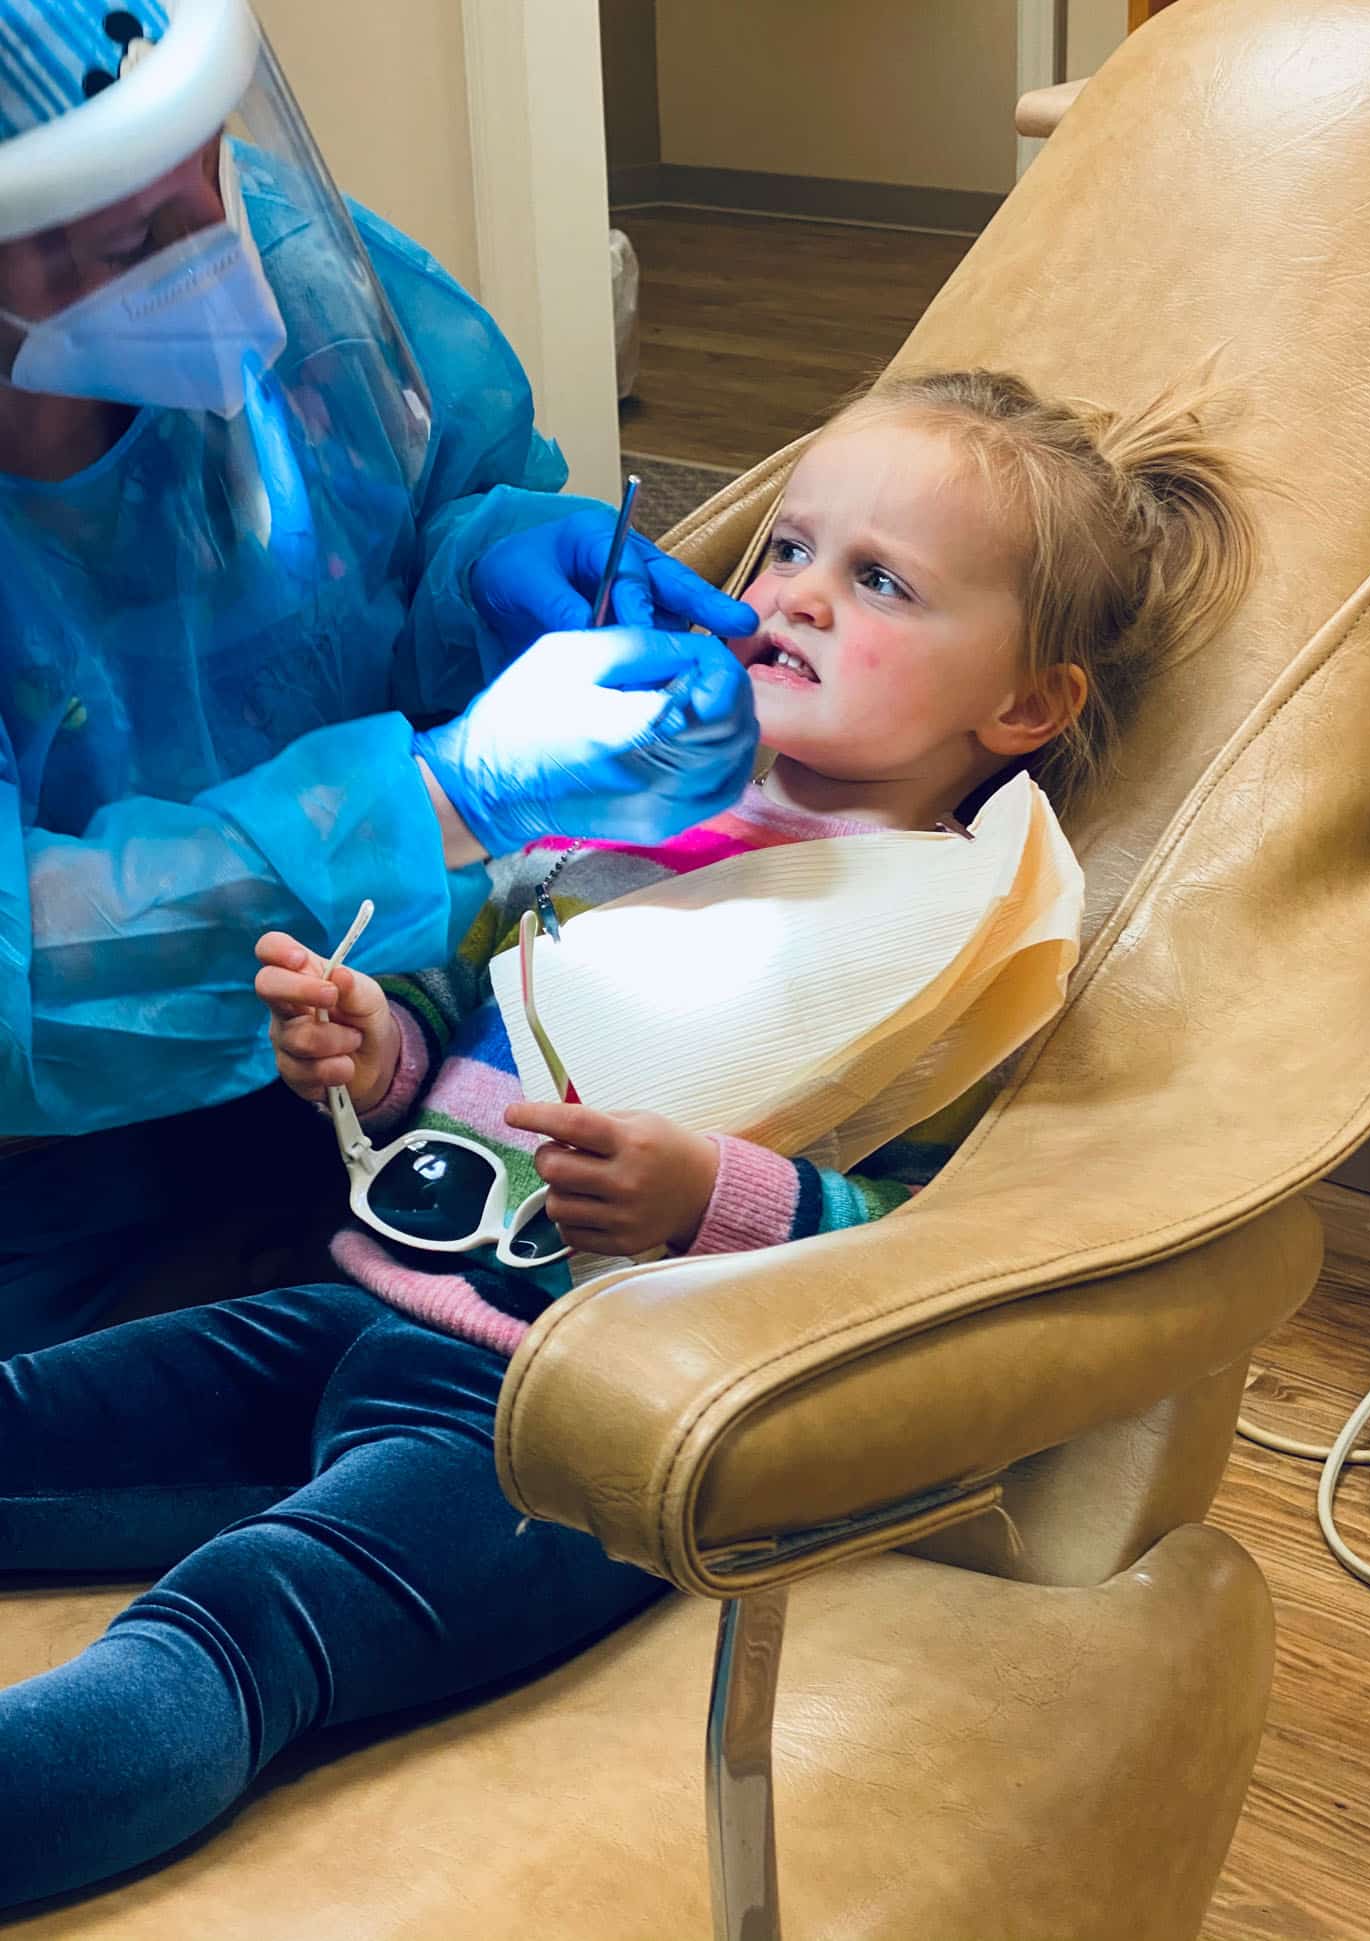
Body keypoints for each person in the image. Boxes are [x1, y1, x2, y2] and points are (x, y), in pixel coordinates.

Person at [0, 367, 1257, 1906]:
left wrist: (706, 1195)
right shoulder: (640, 816)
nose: (794, 595)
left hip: (559, 1435)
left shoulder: (955, 935)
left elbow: (931, 1236)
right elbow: (471, 1048)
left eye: (881, 580)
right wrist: (373, 1049)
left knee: (238, 1631)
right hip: (363, 1308)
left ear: (1025, 706)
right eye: (787, 547)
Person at [0, 0, 758, 1352]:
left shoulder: (299, 269)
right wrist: (445, 797)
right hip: (56, 1180)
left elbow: (406, 506)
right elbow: (25, 983)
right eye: (126, 243)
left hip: (378, 1045)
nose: (221, 260)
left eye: (206, 160)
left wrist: (490, 561)